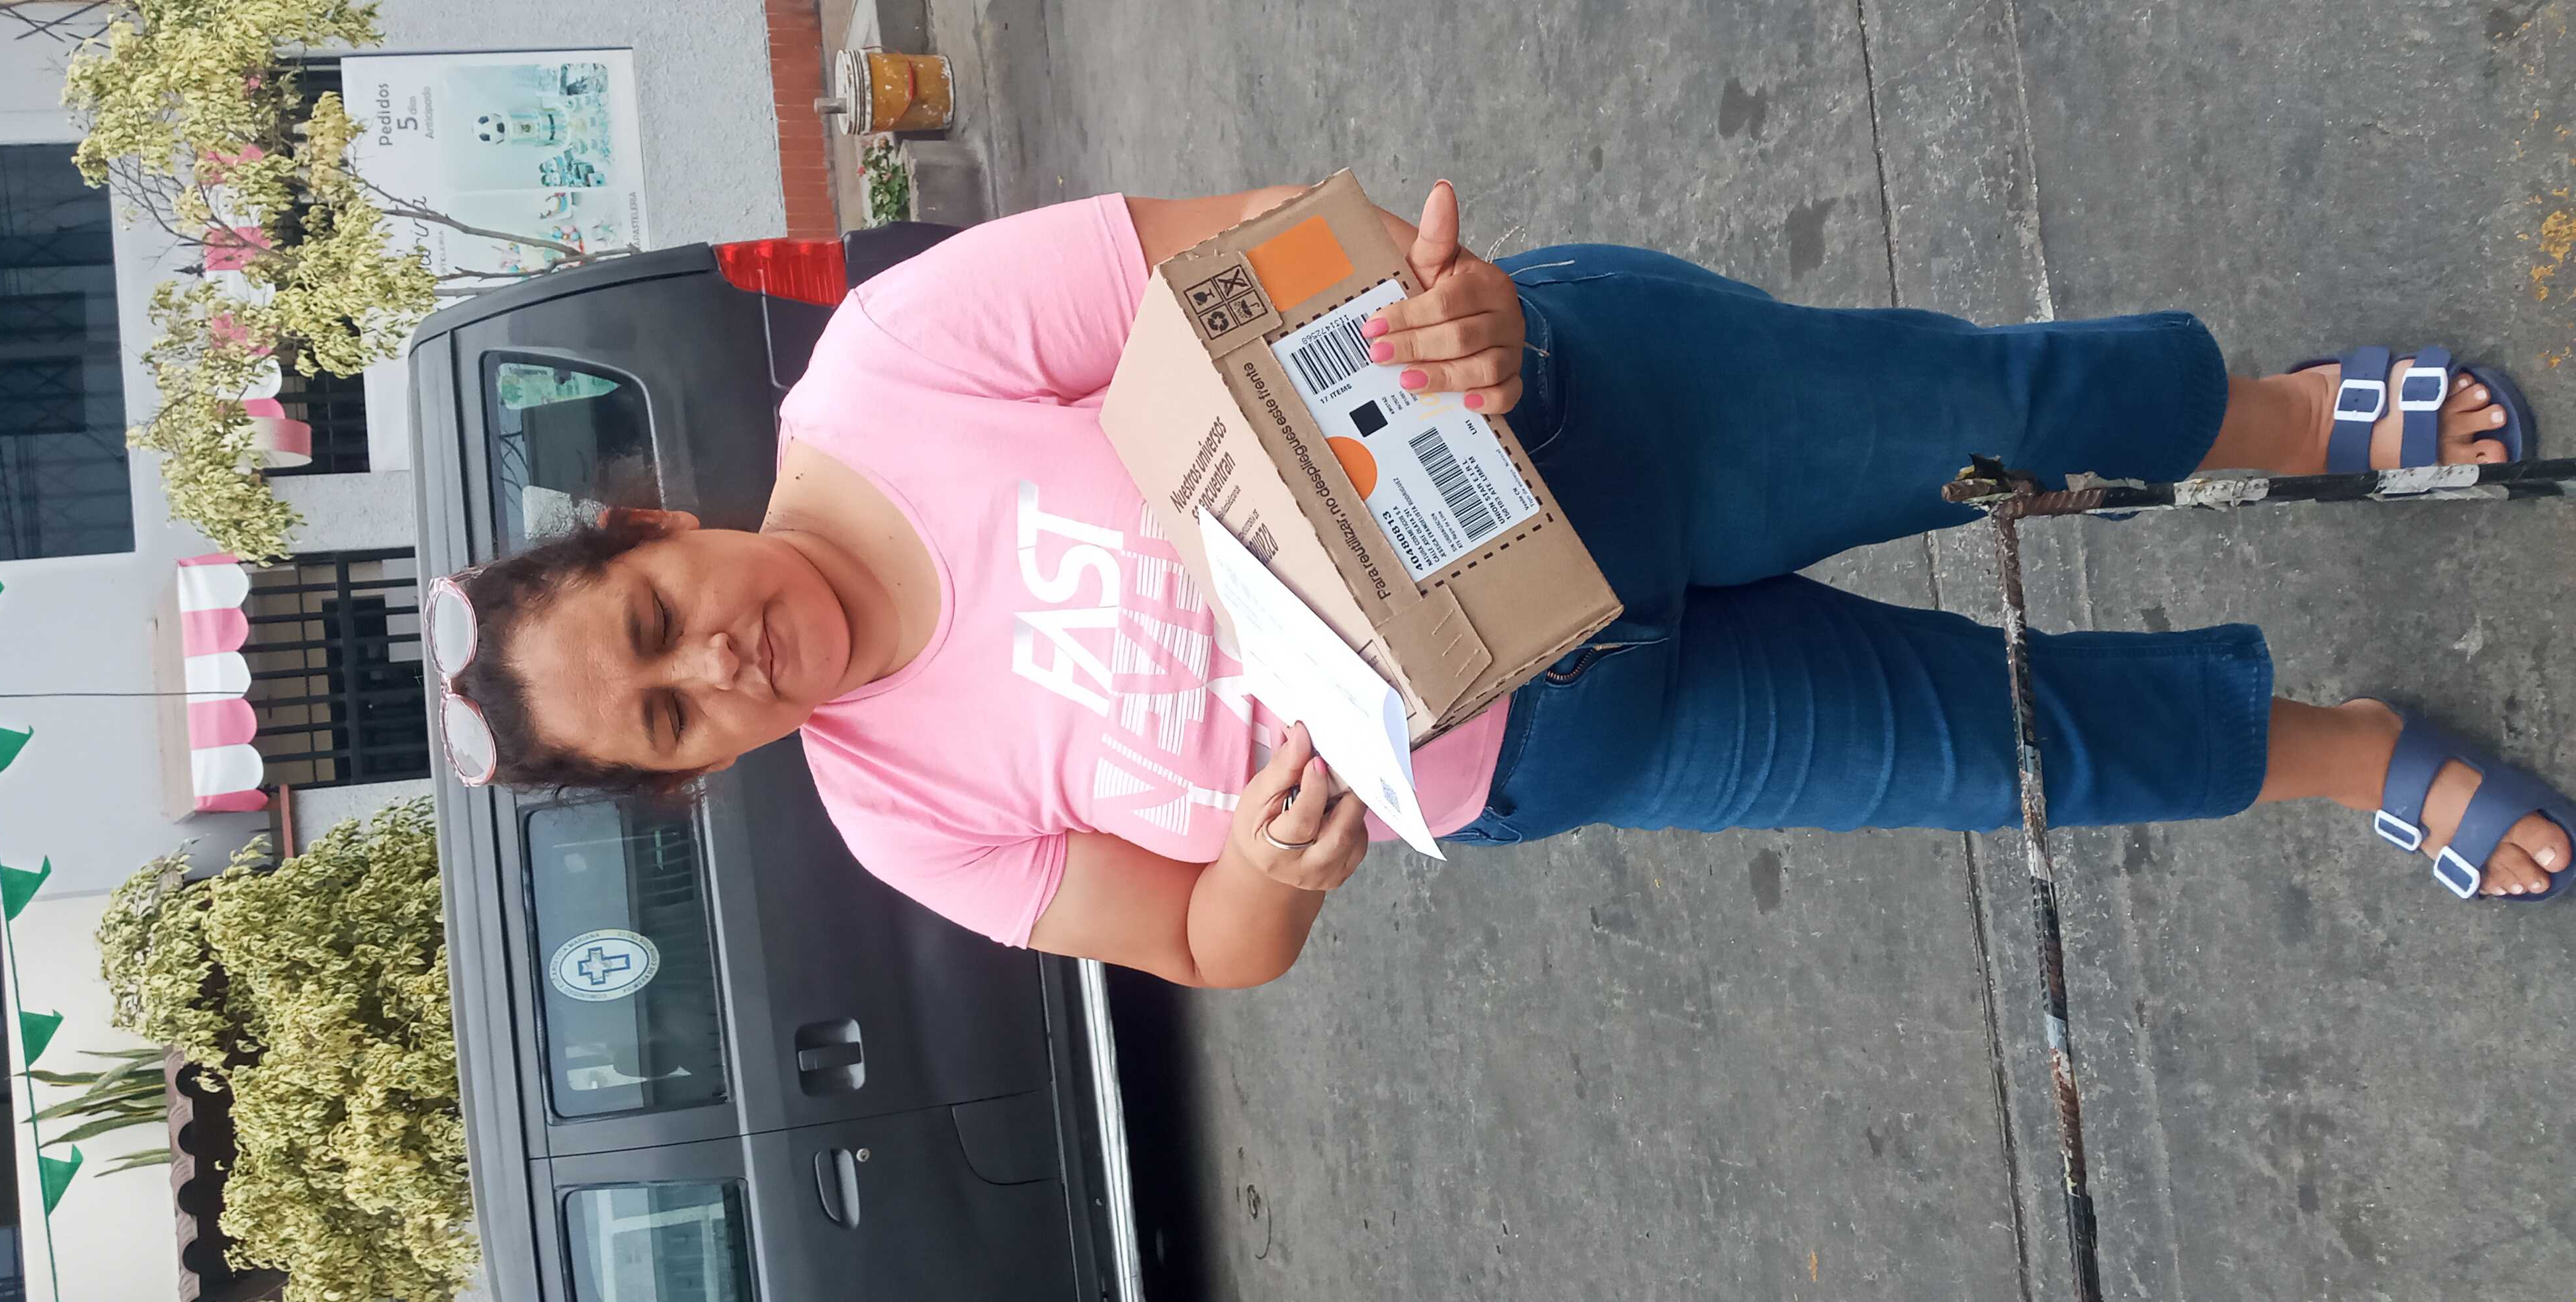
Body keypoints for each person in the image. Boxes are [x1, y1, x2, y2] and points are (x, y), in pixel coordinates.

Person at [427, 181, 2569, 989]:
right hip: (1558, 733)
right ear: (695, 773)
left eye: (655, 622)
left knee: (1980, 409)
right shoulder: (900, 812)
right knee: (1975, 755)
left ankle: (2284, 418)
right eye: (675, 716)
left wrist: (1438, 312)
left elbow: (1256, 247)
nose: (720, 660)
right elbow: (1201, 944)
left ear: (651, 531)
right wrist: (1272, 873)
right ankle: (2344, 753)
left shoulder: (896, 369)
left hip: (1574, 428)